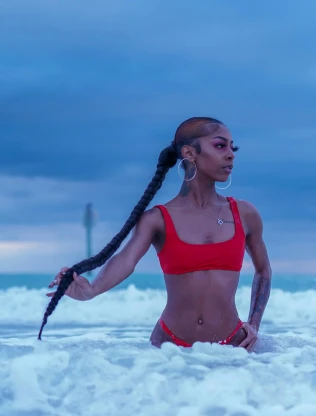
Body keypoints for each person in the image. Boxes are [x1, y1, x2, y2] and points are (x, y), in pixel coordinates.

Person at [40, 117, 272, 351]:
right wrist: (92, 290)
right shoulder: (157, 219)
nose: (231, 154)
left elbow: (263, 270)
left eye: (233, 147)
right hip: (168, 349)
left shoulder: (244, 213)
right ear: (189, 153)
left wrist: (254, 324)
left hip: (232, 344)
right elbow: (126, 260)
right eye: (220, 146)